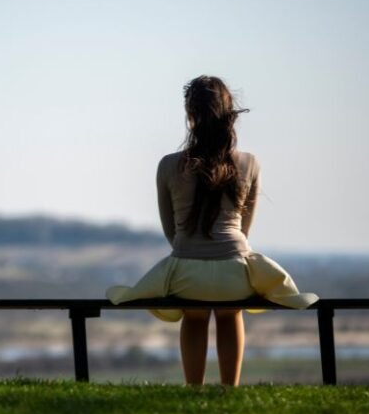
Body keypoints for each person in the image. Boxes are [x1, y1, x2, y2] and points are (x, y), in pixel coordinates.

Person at [106, 75, 318, 386]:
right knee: (231, 314)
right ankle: (228, 390)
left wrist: (194, 251)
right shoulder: (250, 163)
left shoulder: (168, 165)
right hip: (234, 271)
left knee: (194, 317)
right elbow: (245, 231)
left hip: (186, 272)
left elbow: (171, 231)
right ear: (229, 114)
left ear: (190, 116)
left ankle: (194, 389)